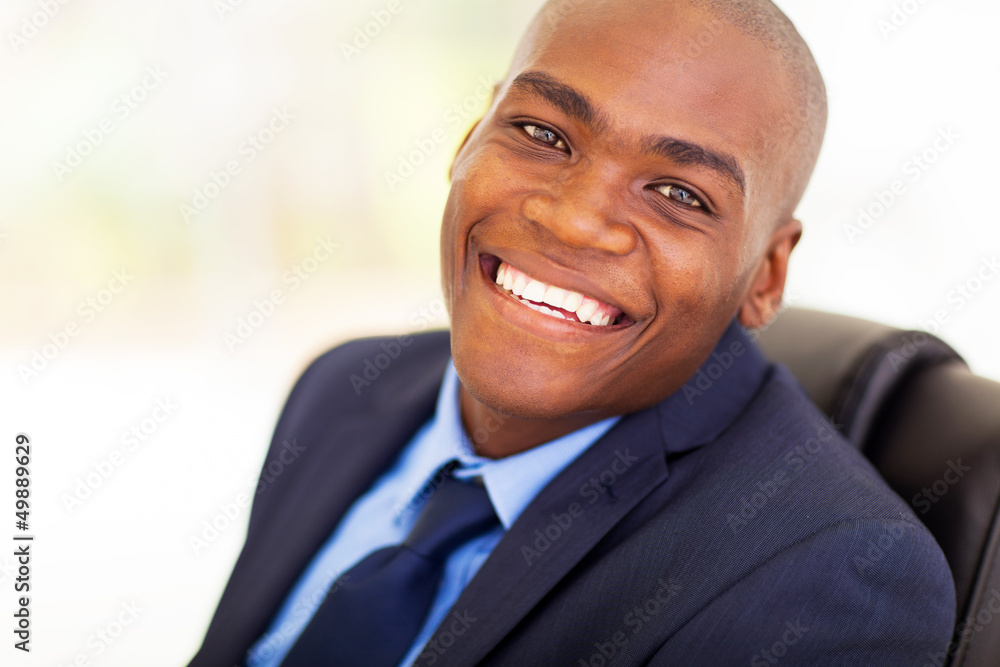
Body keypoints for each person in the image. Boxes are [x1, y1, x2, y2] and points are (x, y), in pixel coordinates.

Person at [188, 0, 956, 664]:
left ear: (766, 275)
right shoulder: (342, 388)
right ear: (468, 140)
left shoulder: (832, 576)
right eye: (543, 133)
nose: (574, 217)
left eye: (679, 192)